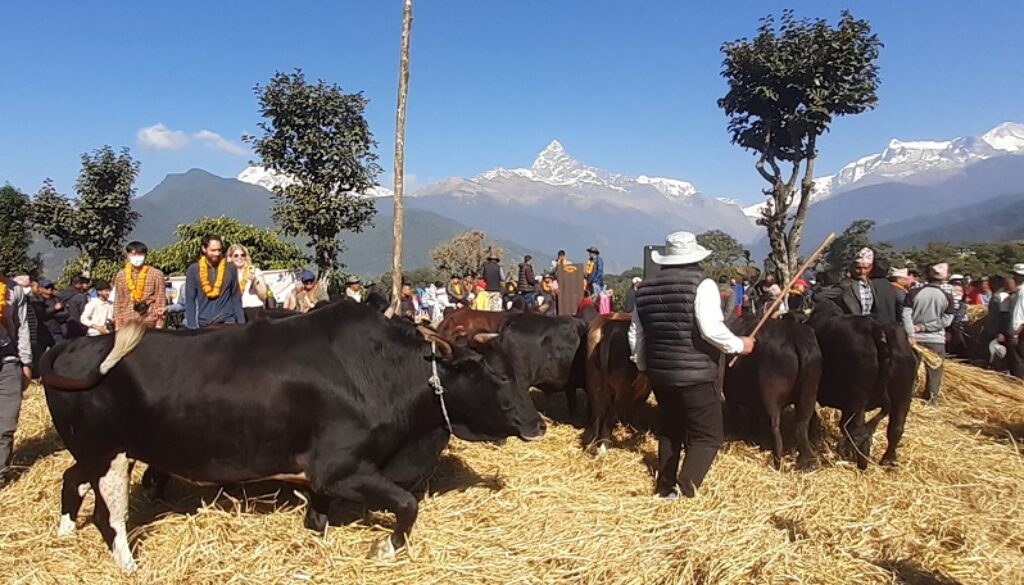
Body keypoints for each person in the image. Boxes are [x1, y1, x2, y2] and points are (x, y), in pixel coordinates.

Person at [629, 231, 755, 499]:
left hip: (660, 373)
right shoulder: (702, 284)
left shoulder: (646, 288)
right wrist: (739, 345)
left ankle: (664, 486)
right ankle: (684, 490)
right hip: (696, 375)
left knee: (670, 429)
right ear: (694, 257)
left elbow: (636, 334)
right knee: (708, 436)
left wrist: (642, 367)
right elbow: (710, 329)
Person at [903, 263, 956, 405]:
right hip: (936, 339)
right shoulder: (948, 296)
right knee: (935, 371)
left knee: (911, 370)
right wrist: (925, 327)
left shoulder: (914, 292)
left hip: (914, 339)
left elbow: (905, 314)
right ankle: (932, 399)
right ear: (944, 278)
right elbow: (947, 320)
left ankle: (907, 397)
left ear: (927, 275)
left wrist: (911, 332)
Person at [0, 273, 32, 484]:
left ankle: (0, 472)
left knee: (7, 420)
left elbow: (21, 326)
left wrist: (26, 362)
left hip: (8, 359)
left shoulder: (14, 290)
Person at [184, 235, 246, 328]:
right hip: (205, 324)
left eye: (219, 250)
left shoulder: (230, 268)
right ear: (204, 249)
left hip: (228, 321)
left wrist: (242, 324)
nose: (217, 253)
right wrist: (192, 327)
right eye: (213, 250)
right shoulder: (194, 270)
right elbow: (190, 301)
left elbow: (235, 297)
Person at [113, 241, 167, 331]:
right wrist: (117, 325)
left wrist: (159, 325)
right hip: (127, 322)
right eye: (134, 254)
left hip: (149, 321)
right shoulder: (121, 275)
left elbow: (160, 300)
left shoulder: (156, 274)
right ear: (127, 255)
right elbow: (118, 301)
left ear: (145, 255)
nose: (137, 257)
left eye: (140, 254)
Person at [227, 244, 268, 322]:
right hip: (235, 311)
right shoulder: (227, 274)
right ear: (230, 258)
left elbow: (264, 295)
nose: (240, 257)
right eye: (236, 255)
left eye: (242, 255)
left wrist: (255, 280)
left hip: (253, 310)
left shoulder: (254, 271)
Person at [31, 279, 66, 348]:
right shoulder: (37, 300)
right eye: (46, 288)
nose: (49, 290)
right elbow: (40, 313)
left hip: (57, 331)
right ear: (40, 289)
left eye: (51, 287)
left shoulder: (56, 299)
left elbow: (66, 313)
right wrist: (54, 309)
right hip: (43, 332)